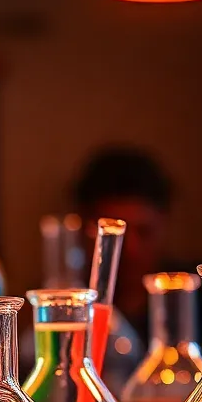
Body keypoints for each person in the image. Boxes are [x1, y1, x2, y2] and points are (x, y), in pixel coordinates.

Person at [74, 145, 178, 339]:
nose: (131, 249)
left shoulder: (196, 305)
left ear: (164, 225)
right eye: (113, 237)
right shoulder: (66, 310)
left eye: (144, 232)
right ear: (85, 230)